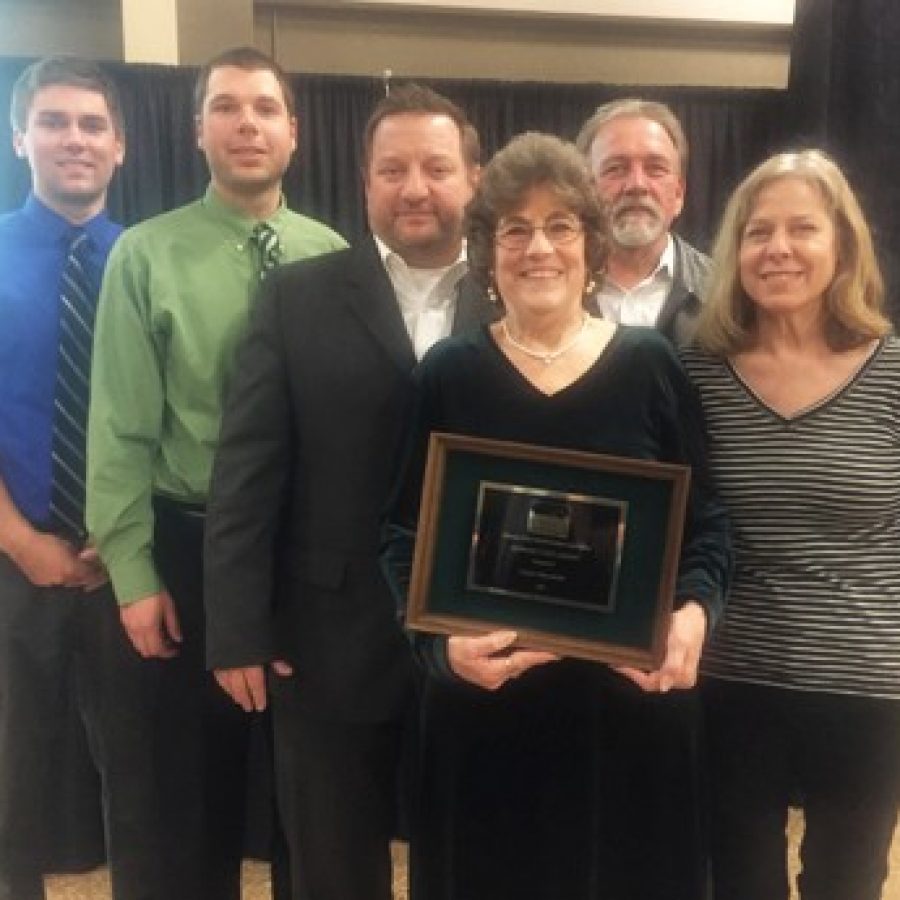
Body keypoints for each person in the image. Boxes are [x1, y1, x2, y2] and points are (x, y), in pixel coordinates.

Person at [382, 131, 732, 900]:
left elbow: (708, 525)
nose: (538, 247)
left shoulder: (650, 366)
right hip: (487, 708)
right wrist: (440, 651)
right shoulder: (450, 372)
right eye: (515, 228)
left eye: (560, 225)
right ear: (488, 250)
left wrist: (693, 616)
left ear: (591, 243)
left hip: (629, 710)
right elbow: (402, 535)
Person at [202, 83, 495, 900]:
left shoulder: (520, 295)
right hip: (325, 638)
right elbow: (247, 473)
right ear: (363, 182)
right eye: (391, 169)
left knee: (471, 856)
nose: (413, 188)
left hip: (480, 638)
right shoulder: (296, 298)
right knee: (332, 869)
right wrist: (236, 630)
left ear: (473, 177)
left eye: (436, 168)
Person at [85, 46, 346, 900]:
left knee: (307, 809)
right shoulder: (146, 256)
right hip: (185, 556)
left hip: (302, 565)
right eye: (226, 107)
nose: (247, 124)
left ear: (294, 134)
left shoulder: (335, 256)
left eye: (265, 108)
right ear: (196, 130)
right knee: (181, 810)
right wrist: (133, 574)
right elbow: (118, 428)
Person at [682, 149, 900, 900]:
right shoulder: (698, 372)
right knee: (739, 882)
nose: (777, 249)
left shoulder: (895, 370)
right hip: (732, 681)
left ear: (842, 245)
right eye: (757, 231)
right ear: (734, 252)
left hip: (868, 689)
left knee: (847, 884)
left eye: (802, 228)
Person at [0, 56, 159, 900]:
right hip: (10, 556)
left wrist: (124, 539)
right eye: (55, 121)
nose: (74, 139)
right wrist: (22, 541)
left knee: (141, 781)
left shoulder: (148, 262)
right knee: (9, 777)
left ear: (122, 146)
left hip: (125, 568)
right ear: (19, 136)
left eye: (93, 124)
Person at [576, 98, 710, 347]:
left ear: (678, 194)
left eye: (655, 168)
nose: (637, 185)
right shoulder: (547, 289)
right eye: (616, 169)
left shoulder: (724, 294)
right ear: (585, 189)